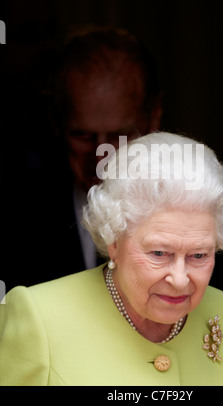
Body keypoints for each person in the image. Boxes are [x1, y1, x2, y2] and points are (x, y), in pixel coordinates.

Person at [0, 131, 223, 386]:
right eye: (159, 253)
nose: (180, 279)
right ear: (114, 241)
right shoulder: (40, 317)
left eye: (198, 255)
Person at [0, 26, 162, 290]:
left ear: (153, 117)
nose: (101, 157)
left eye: (117, 136)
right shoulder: (11, 222)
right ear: (57, 123)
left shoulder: (220, 216)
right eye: (82, 136)